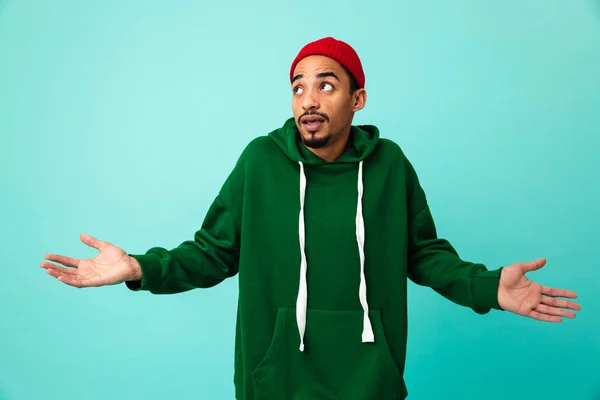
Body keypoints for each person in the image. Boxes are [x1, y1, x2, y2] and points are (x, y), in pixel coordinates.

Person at [41, 37, 581, 400]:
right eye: (298, 86)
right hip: (275, 378)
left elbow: (423, 254)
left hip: (369, 378)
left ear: (357, 98)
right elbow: (213, 252)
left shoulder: (389, 166)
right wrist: (137, 267)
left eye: (326, 84)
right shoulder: (260, 161)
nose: (308, 99)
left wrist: (489, 288)